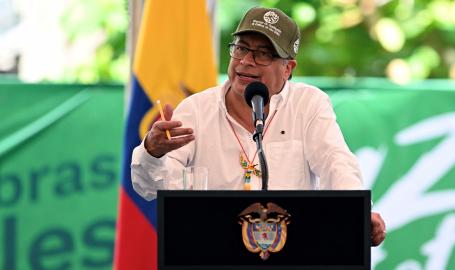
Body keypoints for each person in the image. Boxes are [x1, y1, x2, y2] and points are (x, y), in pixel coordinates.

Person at [131, 6, 386, 246]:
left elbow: (336, 163)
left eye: (263, 54)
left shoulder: (308, 104)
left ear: (288, 68)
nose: (246, 61)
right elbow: (150, 188)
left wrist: (357, 213)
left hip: (290, 251)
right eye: (241, 49)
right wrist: (153, 152)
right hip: (211, 250)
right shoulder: (195, 109)